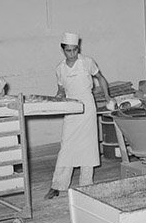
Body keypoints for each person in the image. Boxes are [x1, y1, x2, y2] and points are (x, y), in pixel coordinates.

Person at [46, 32, 110, 199]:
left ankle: (86, 185)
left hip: (87, 105)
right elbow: (61, 90)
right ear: (63, 50)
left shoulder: (87, 62)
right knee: (66, 145)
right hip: (71, 105)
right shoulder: (60, 68)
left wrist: (108, 96)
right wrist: (56, 99)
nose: (72, 54)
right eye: (68, 50)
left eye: (75, 50)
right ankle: (57, 185)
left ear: (78, 48)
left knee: (88, 145)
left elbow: (101, 78)